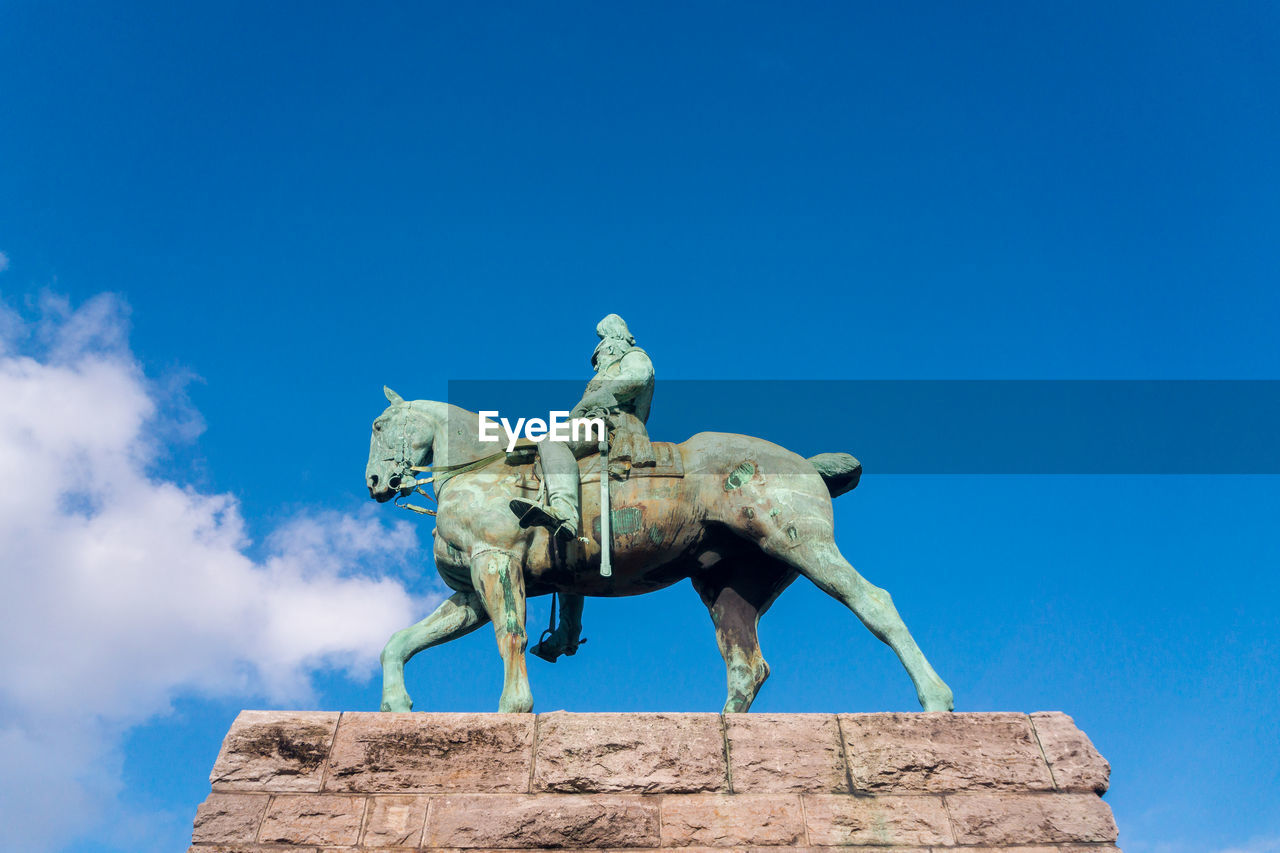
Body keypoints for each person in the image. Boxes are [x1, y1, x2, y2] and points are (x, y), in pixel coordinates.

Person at [509, 313, 655, 662]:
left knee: (552, 440)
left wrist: (593, 399)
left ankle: (564, 510)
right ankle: (568, 633)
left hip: (614, 429)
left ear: (617, 340)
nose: (600, 356)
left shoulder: (633, 356)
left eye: (603, 346)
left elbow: (640, 377)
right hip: (595, 427)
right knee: (567, 550)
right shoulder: (609, 365)